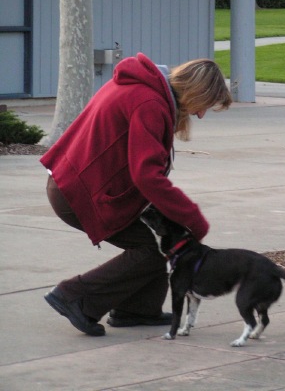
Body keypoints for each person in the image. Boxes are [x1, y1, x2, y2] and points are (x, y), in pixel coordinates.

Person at [41, 53, 231, 336]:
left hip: (76, 184)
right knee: (153, 250)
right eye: (204, 106)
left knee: (161, 243)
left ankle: (137, 309)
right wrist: (193, 217)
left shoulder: (144, 89)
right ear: (195, 92)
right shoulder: (149, 103)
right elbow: (146, 175)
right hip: (78, 194)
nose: (201, 114)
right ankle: (76, 296)